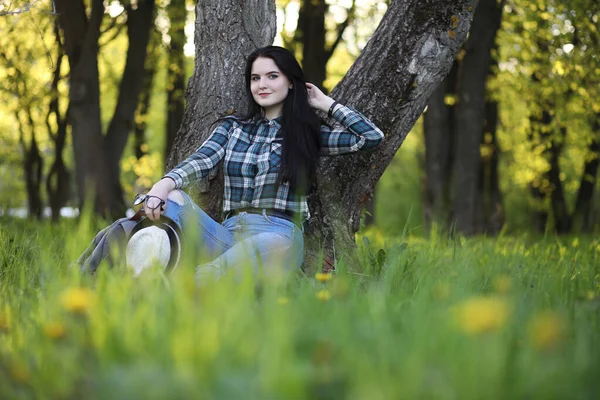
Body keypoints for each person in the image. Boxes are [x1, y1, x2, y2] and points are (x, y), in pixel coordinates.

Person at [128, 45, 384, 280]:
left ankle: (183, 287)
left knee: (215, 271)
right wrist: (162, 186)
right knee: (172, 197)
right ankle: (138, 270)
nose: (262, 84)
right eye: (255, 78)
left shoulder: (307, 133)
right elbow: (202, 159)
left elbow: (370, 137)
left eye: (273, 76)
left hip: (278, 237)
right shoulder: (233, 128)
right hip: (226, 234)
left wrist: (324, 103)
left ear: (291, 82)